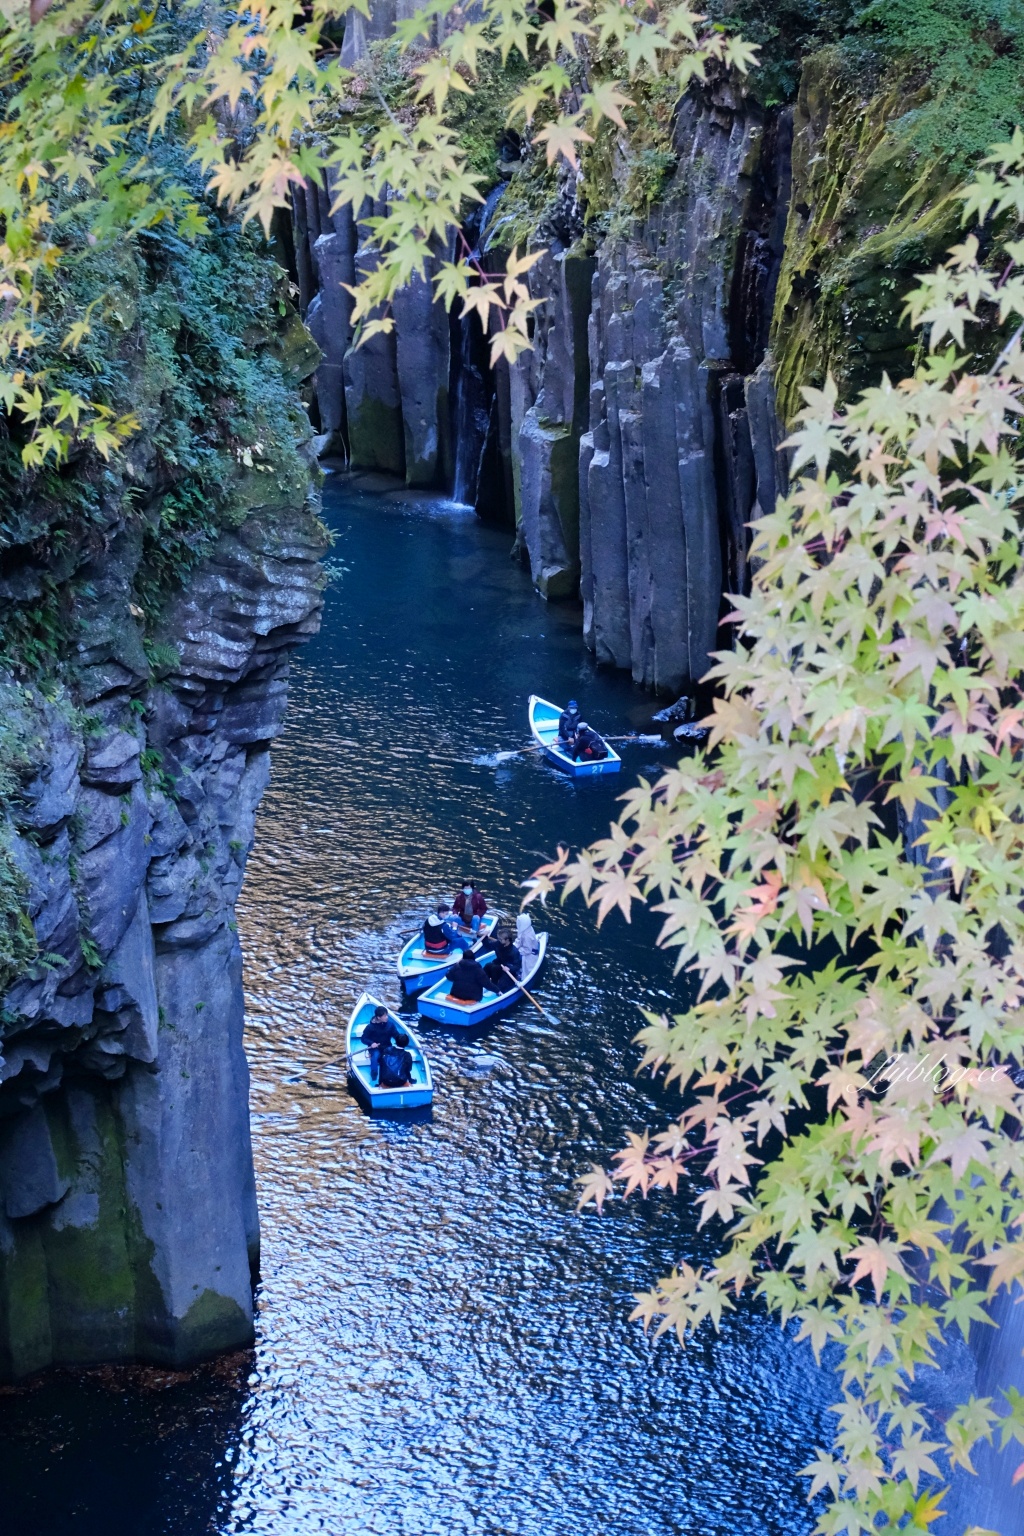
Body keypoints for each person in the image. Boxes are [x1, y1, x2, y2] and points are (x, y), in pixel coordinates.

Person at [361, 1005, 412, 1086]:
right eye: (385, 1016)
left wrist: (403, 1039)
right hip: (375, 1047)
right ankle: (374, 1073)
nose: (387, 1017)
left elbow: (396, 1035)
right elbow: (363, 1038)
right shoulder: (370, 1027)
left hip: (387, 1046)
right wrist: (371, 1043)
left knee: (393, 1056)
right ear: (378, 1017)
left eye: (387, 1015)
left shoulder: (390, 1025)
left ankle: (394, 1073)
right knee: (375, 1056)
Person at [480, 927, 522, 993]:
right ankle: (485, 984)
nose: (498, 940)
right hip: (500, 965)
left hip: (509, 971)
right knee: (488, 966)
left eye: (501, 939)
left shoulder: (514, 951)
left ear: (507, 940)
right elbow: (488, 946)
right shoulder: (498, 944)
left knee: (502, 986)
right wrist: (484, 937)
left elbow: (517, 966)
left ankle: (497, 989)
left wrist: (509, 969)